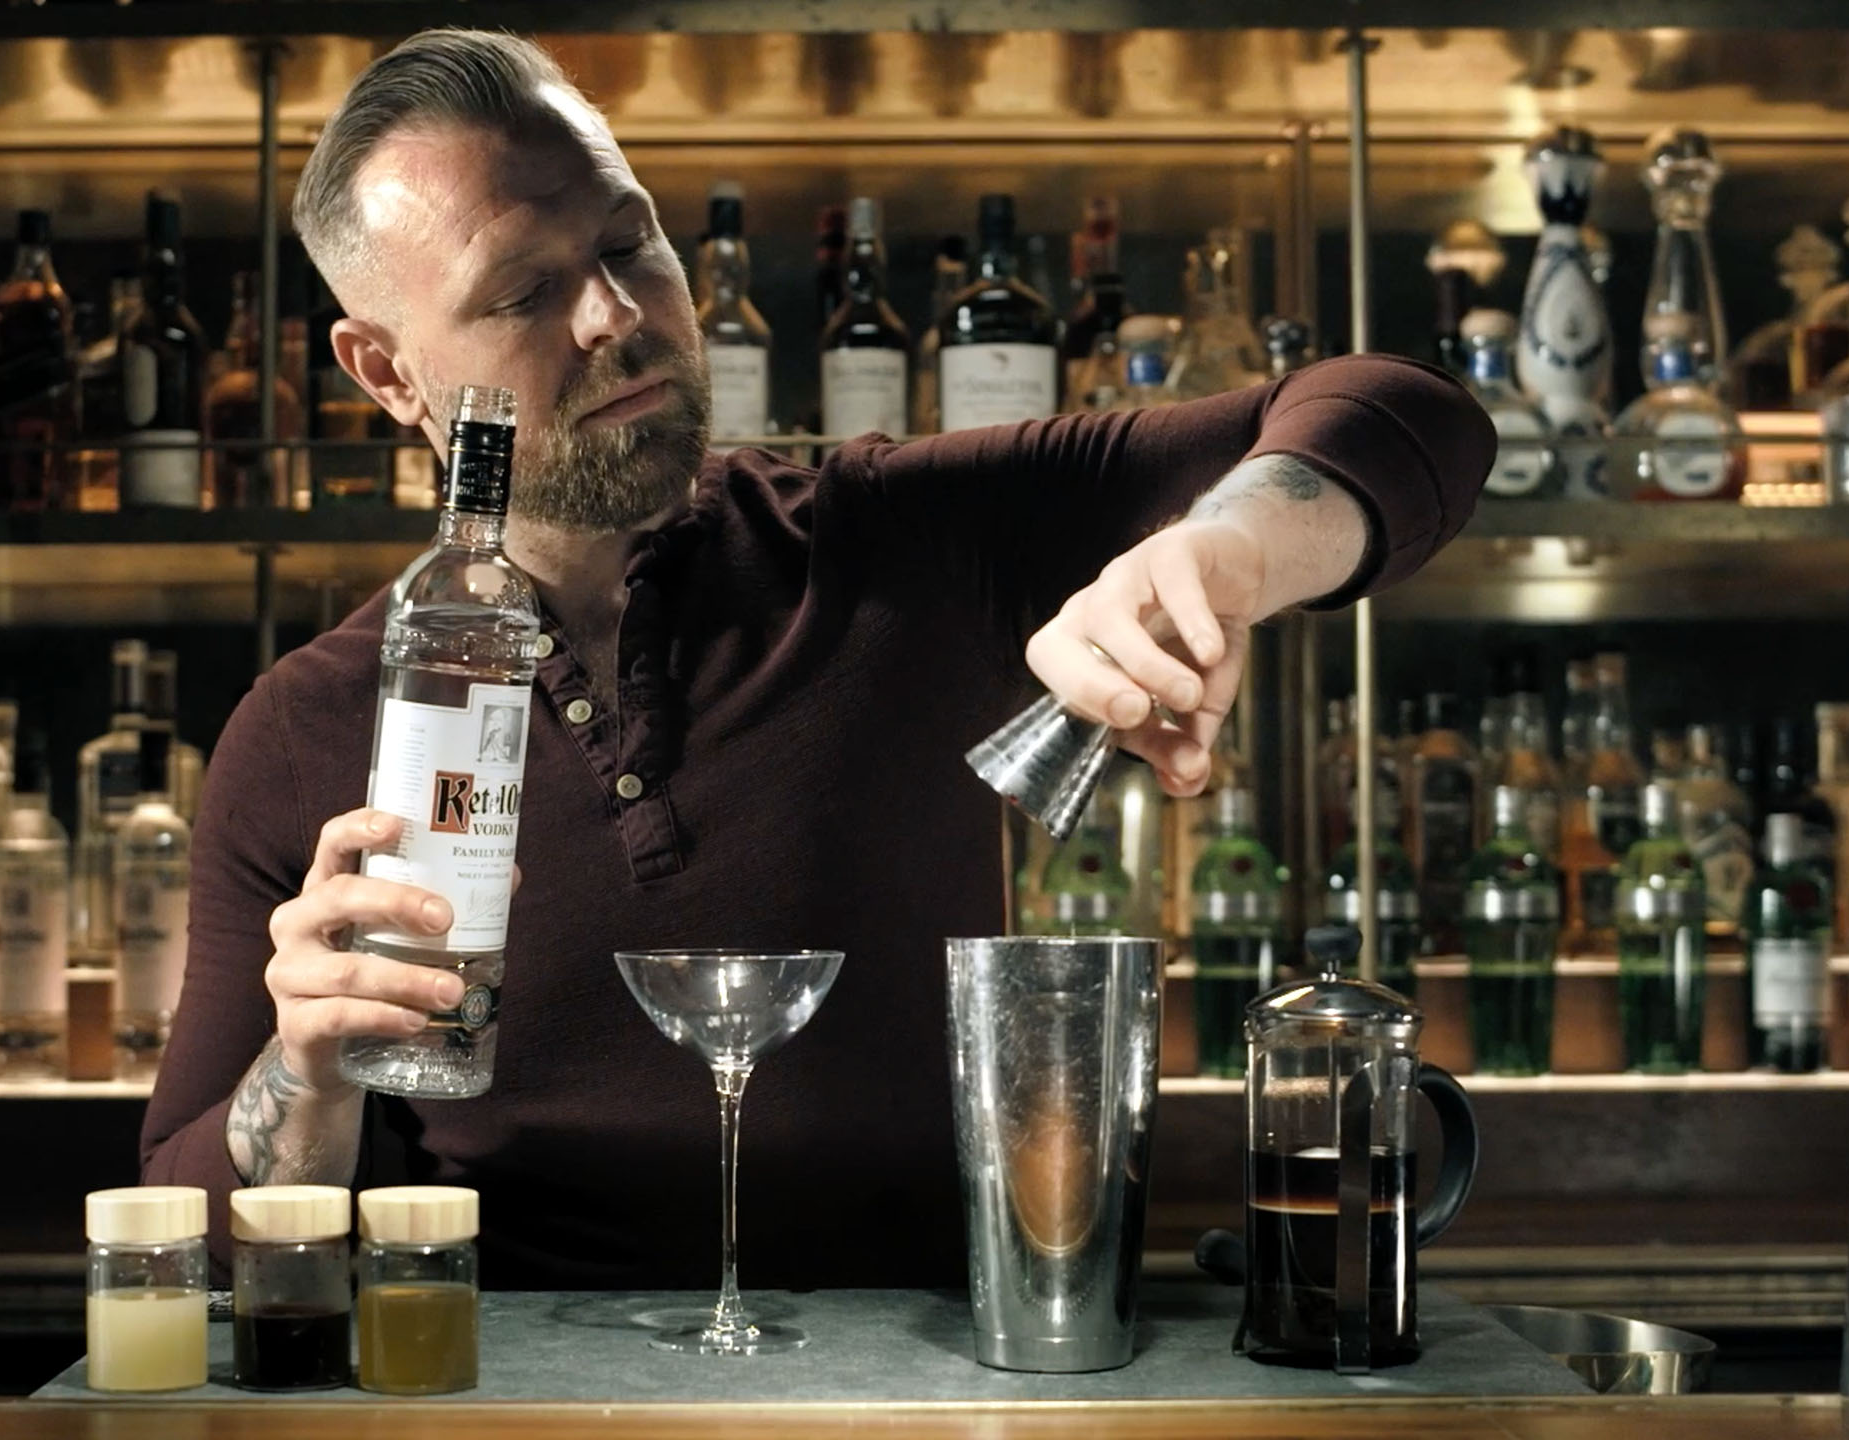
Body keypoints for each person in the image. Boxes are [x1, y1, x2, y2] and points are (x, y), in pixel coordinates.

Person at [141, 30, 1495, 1288]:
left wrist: (1225, 551)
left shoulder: (894, 536)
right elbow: (183, 1238)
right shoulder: (306, 730)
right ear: (386, 373)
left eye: (629, 242)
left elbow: (1407, 415)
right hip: (512, 1400)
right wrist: (307, 1071)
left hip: (930, 1396)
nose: (613, 313)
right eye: (524, 291)